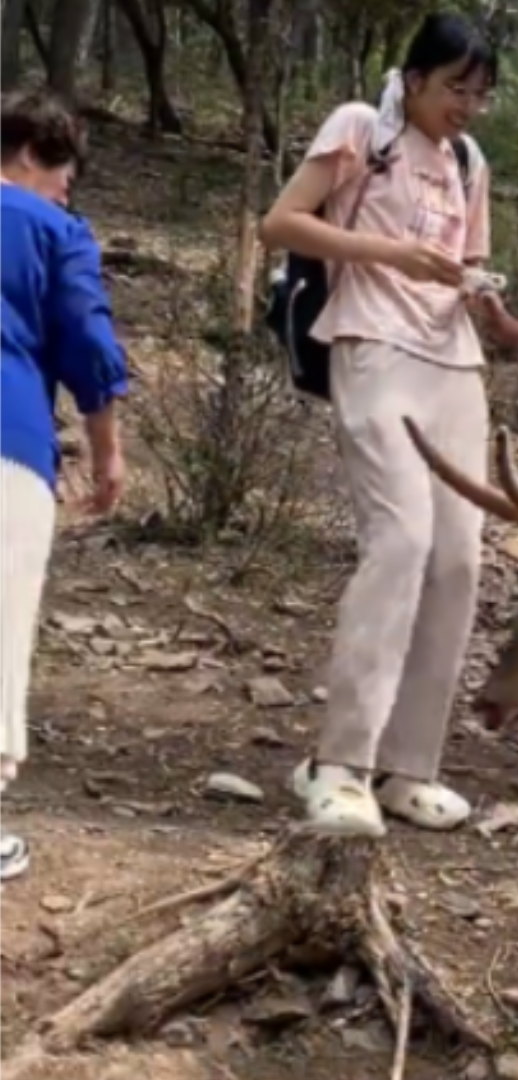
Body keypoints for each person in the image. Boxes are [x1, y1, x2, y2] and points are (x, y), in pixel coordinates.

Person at [259, 13, 515, 837]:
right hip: (371, 342)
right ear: (414, 81)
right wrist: (390, 256)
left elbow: (467, 259)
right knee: (399, 540)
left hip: (453, 360)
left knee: (457, 559)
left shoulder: (469, 161)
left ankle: (412, 767)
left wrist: (481, 290)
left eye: (480, 94)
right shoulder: (360, 130)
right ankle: (341, 766)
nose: (466, 107)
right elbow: (282, 222)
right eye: (454, 89)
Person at [0, 89, 130, 880]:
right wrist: (106, 453)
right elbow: (87, 341)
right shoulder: (54, 230)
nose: (65, 193)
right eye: (65, 177)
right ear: (28, 156)